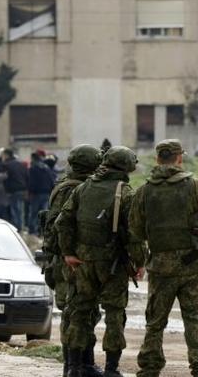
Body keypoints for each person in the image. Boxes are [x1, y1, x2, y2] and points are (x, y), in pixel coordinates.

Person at [56, 146, 145, 377]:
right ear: (126, 166)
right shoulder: (124, 193)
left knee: (79, 312)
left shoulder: (83, 188)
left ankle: (74, 367)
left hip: (82, 263)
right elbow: (134, 234)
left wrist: (68, 253)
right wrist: (140, 263)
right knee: (114, 314)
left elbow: (62, 222)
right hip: (112, 265)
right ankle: (111, 370)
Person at [130, 139, 198, 377]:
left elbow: (135, 229)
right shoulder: (194, 185)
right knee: (194, 317)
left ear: (158, 159)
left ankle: (149, 367)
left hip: (159, 266)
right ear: (179, 158)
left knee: (155, 321)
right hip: (191, 265)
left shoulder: (144, 190)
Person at [42, 144, 104, 377]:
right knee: (78, 314)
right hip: (71, 260)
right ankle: (77, 365)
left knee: (77, 314)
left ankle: (77, 364)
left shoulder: (63, 186)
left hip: (62, 259)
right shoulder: (77, 189)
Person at [0, 148, 29, 231]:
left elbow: (5, 178)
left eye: (3, 155)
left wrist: (6, 190)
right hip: (22, 189)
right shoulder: (21, 164)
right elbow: (27, 176)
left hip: (12, 190)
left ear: (7, 155)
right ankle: (21, 227)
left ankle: (17, 228)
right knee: (20, 210)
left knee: (14, 210)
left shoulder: (5, 165)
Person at [28, 151, 56, 235]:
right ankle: (41, 230)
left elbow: (31, 182)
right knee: (43, 212)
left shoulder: (32, 168)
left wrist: (31, 191)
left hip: (36, 193)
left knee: (33, 213)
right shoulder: (46, 167)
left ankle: (32, 231)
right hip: (46, 193)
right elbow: (51, 180)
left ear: (33, 158)